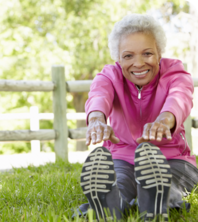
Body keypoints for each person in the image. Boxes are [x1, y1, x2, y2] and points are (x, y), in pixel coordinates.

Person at [80, 14, 198, 222]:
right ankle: (109, 206)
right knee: (119, 183)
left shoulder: (175, 72)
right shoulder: (109, 75)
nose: (139, 63)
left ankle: (155, 200)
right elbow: (99, 95)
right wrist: (97, 119)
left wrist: (165, 119)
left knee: (168, 184)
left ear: (159, 53)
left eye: (147, 53)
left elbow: (180, 97)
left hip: (172, 158)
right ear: (118, 58)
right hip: (122, 156)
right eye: (128, 56)